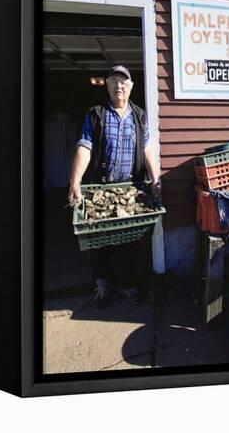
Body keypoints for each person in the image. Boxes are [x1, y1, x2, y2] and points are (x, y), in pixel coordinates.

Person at [68, 65, 161, 309]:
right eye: (114, 82)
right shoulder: (96, 114)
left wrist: (155, 179)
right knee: (99, 242)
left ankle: (128, 286)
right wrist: (75, 181)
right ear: (107, 86)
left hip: (131, 190)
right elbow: (84, 147)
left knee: (130, 244)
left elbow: (147, 149)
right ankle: (103, 286)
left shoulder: (140, 116)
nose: (119, 86)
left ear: (130, 87)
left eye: (124, 82)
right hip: (101, 188)